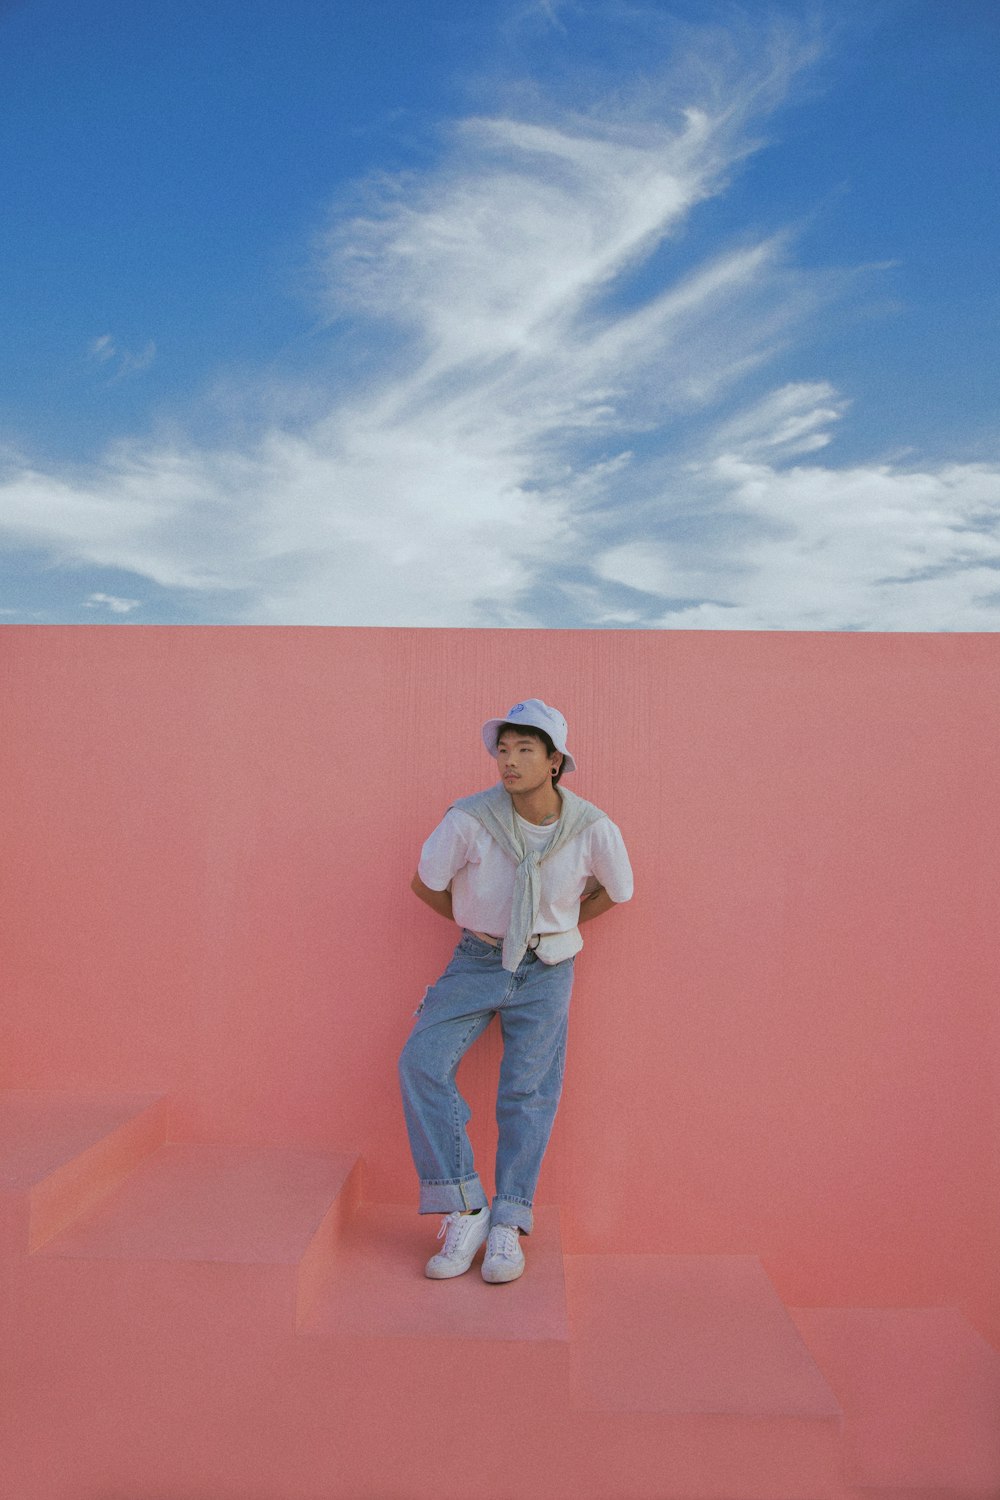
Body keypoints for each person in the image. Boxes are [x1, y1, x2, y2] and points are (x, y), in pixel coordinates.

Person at [398, 698, 633, 1284]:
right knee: (420, 1062)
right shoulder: (470, 818)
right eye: (502, 749)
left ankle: (508, 1222)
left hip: (549, 968)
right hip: (477, 959)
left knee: (527, 1094)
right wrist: (480, 925)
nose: (509, 761)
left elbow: (618, 891)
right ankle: (466, 1205)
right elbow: (426, 883)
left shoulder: (591, 827)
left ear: (555, 761)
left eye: (525, 749)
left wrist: (557, 927)